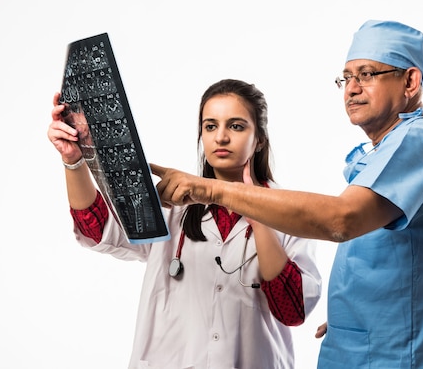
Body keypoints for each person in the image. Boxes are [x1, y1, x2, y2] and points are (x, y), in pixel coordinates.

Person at [151, 20, 423, 368]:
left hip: (402, 356)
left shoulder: (418, 142)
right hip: (386, 345)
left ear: (411, 82)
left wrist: (212, 189)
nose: (351, 89)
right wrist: (355, 317)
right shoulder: (395, 150)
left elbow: (341, 220)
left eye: (366, 74)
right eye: (346, 77)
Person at [47, 78, 322, 369]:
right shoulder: (173, 202)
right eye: (211, 126)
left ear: (260, 139)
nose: (221, 137)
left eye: (237, 126)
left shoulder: (288, 211)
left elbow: (292, 310)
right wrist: (73, 160)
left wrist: (257, 210)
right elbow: (97, 229)